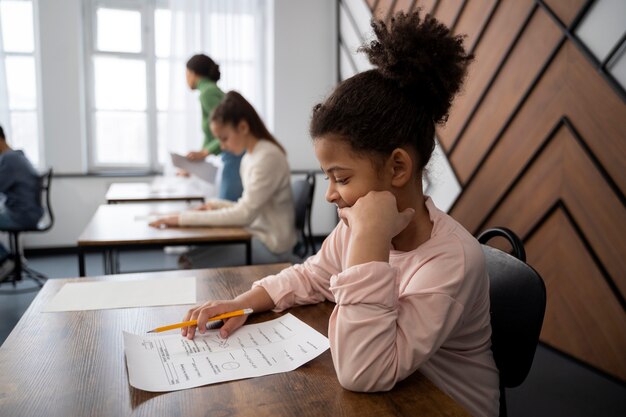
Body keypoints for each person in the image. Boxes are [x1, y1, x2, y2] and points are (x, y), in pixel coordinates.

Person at [175, 11, 499, 417]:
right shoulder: (355, 228)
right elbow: (312, 275)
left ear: (398, 168)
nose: (330, 195)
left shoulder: (449, 261)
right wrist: (243, 302)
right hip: (396, 395)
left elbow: (364, 371)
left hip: (444, 405)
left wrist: (369, 241)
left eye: (341, 178)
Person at [150, 91, 297, 265]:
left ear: (243, 127)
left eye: (224, 138)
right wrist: (214, 205)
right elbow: (247, 206)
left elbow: (244, 214)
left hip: (272, 247)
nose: (221, 146)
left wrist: (181, 219)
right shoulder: (250, 156)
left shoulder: (267, 157)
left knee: (189, 261)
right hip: (257, 235)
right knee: (190, 258)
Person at [184, 54, 243, 202]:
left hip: (233, 155)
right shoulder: (210, 91)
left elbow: (228, 131)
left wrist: (204, 153)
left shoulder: (207, 93)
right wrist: (195, 162)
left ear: (193, 73)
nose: (185, 79)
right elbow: (210, 135)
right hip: (230, 155)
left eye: (186, 73)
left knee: (226, 204)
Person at [0, 125, 44, 278]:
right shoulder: (16, 156)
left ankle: (5, 259)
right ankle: (13, 258)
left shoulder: (8, 159)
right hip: (29, 212)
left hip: (22, 215)